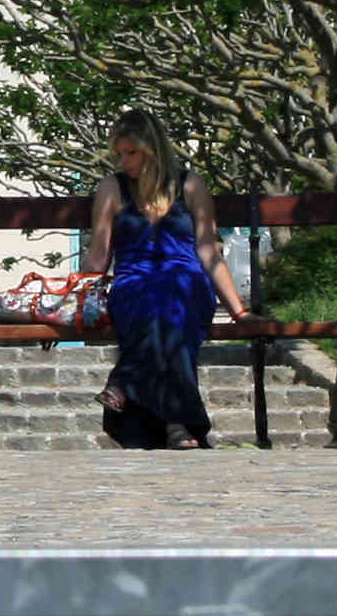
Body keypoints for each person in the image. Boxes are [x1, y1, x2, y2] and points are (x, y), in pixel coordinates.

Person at [89, 108, 246, 448]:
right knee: (160, 304)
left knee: (171, 294)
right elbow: (99, 254)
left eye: (132, 153)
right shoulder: (112, 188)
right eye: (119, 153)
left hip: (187, 281)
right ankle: (177, 423)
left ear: (152, 149)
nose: (124, 161)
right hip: (134, 282)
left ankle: (124, 380)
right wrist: (80, 300)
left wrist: (239, 311)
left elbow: (208, 250)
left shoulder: (190, 185)